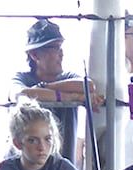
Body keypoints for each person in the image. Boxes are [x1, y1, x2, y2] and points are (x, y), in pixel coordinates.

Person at [10, 19, 100, 162]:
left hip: (61, 165)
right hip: (25, 166)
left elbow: (89, 86)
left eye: (60, 47)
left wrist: (44, 87)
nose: (61, 53)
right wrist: (72, 97)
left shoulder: (68, 77)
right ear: (34, 55)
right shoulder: (22, 78)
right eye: (54, 48)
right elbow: (21, 94)